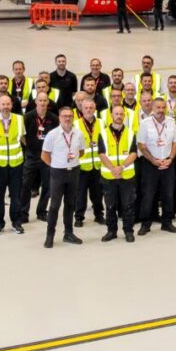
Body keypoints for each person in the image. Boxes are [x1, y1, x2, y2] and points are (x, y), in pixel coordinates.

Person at [40, 105, 84, 248]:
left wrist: (71, 161)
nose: (67, 118)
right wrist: (57, 164)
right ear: (59, 118)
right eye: (64, 116)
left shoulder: (78, 133)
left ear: (73, 117)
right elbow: (44, 155)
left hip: (74, 172)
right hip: (58, 173)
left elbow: (81, 152)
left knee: (70, 204)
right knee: (54, 206)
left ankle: (68, 233)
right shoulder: (52, 134)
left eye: (70, 116)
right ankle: (50, 235)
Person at [137, 97, 176, 234]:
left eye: (163, 107)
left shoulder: (171, 122)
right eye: (158, 108)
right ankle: (146, 224)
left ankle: (167, 223)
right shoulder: (145, 123)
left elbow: (175, 142)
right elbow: (141, 145)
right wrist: (153, 160)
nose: (161, 111)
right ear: (153, 109)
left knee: (168, 194)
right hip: (150, 164)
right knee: (148, 195)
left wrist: (171, 159)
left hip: (168, 163)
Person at [98, 103, 139, 242]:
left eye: (121, 114)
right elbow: (102, 154)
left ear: (124, 116)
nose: (119, 116)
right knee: (110, 206)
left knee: (128, 205)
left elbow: (134, 153)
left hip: (126, 176)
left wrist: (121, 168)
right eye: (116, 114)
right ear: (111, 115)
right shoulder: (103, 133)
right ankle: (111, 231)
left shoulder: (131, 133)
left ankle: (128, 231)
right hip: (109, 177)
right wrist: (113, 169)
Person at [0, 95, 26, 235]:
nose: (5, 107)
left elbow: (22, 138)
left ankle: (16, 222)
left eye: (8, 104)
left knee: (16, 196)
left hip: (16, 164)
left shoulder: (19, 119)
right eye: (3, 104)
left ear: (12, 105)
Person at [23, 95, 59, 222]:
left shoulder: (54, 118)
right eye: (40, 100)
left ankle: (42, 211)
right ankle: (23, 213)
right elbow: (22, 135)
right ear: (36, 102)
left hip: (47, 156)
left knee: (47, 185)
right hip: (31, 155)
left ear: (48, 102)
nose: (42, 103)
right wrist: (30, 146)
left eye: (45, 101)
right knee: (26, 184)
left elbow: (56, 136)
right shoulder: (27, 117)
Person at [73, 97, 105, 226]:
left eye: (91, 107)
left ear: (95, 108)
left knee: (97, 193)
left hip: (97, 165)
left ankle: (99, 215)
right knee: (80, 193)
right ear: (81, 109)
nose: (88, 110)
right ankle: (79, 217)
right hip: (81, 165)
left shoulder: (102, 123)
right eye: (86, 108)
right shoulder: (75, 124)